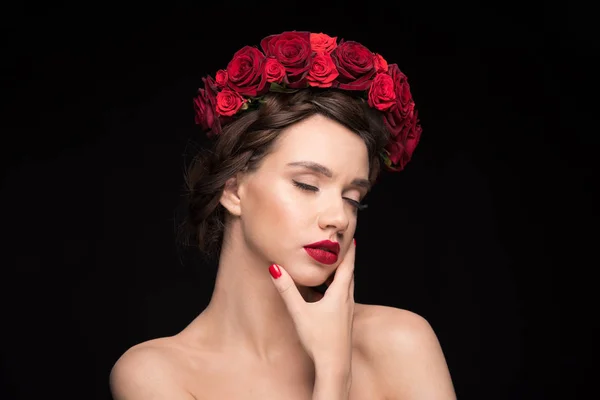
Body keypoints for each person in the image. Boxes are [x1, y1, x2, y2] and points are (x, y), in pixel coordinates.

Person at [109, 31, 456, 399]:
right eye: (307, 185)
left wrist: (334, 363)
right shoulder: (156, 375)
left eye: (353, 198)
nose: (338, 217)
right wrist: (334, 380)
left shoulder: (401, 342)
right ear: (232, 189)